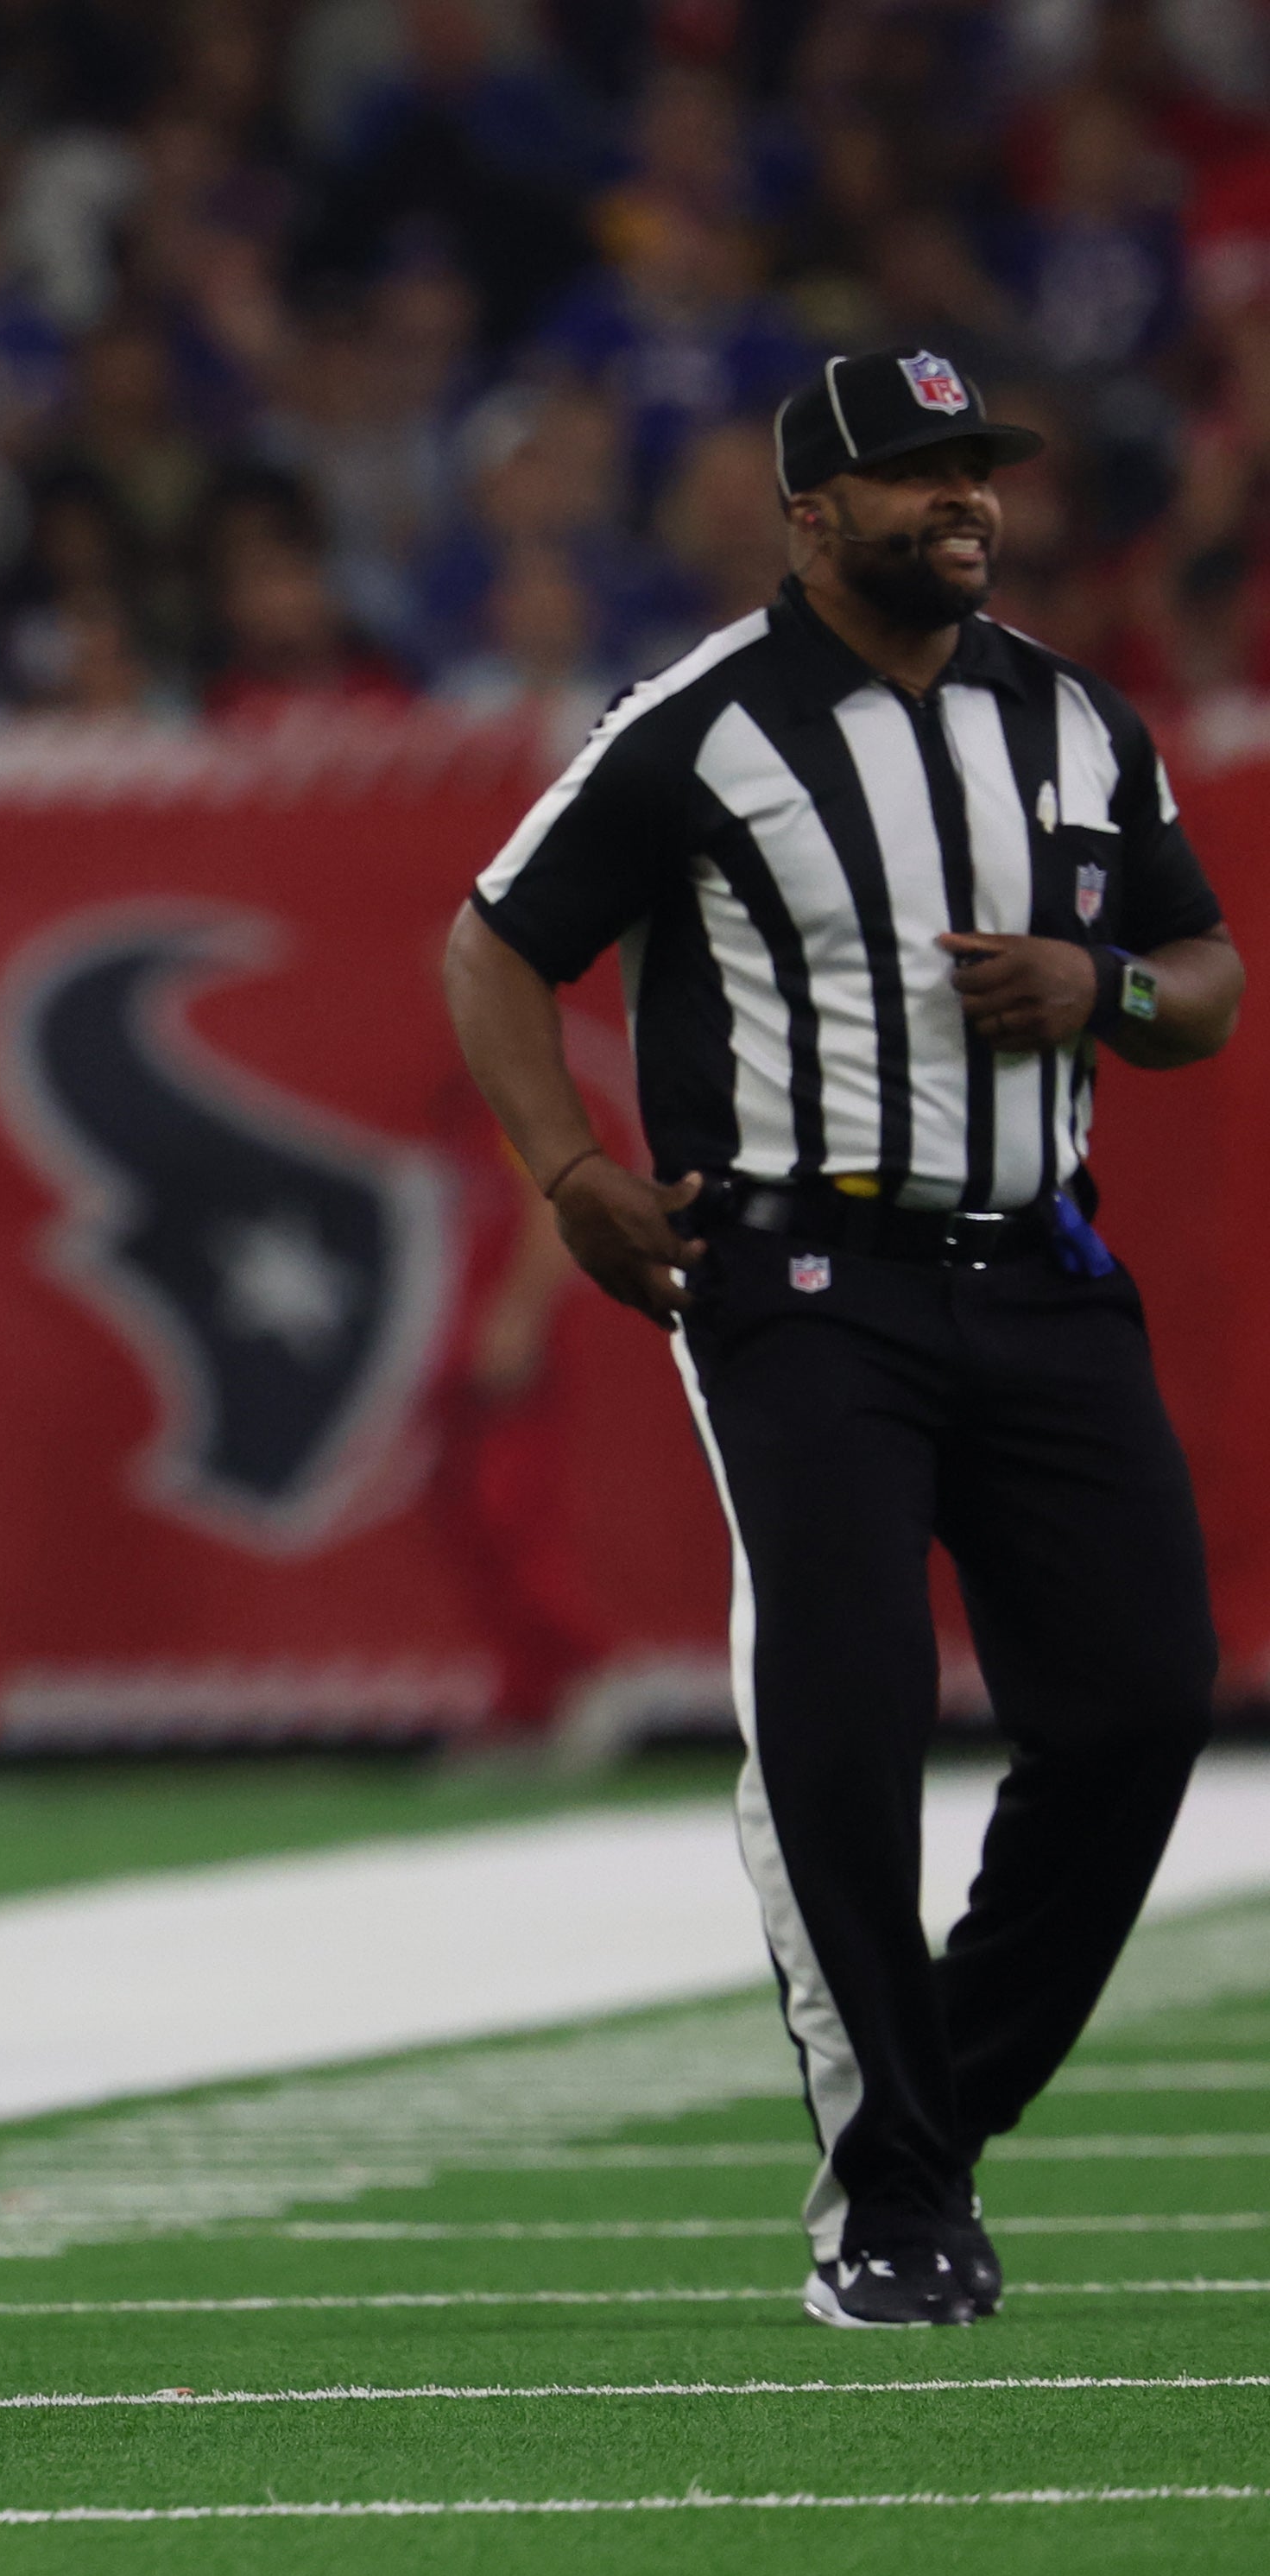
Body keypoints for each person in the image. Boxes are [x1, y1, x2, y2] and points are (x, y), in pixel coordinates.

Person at [444, 348, 1242, 2331]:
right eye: (918, 475)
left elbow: (1210, 976)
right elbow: (494, 943)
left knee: (1142, 1703)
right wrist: (571, 1172)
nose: (964, 502)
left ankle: (930, 2115)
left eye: (981, 471)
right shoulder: (701, 724)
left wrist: (1106, 982)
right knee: (848, 1710)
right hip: (805, 1284)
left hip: (1046, 1269)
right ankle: (891, 2195)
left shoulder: (1072, 717)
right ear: (812, 514)